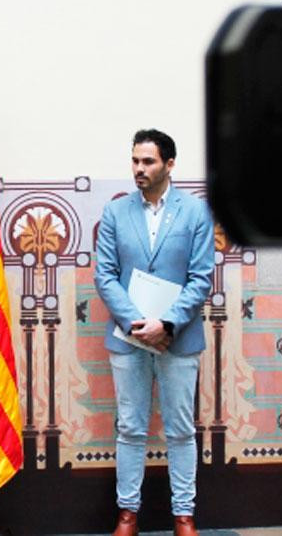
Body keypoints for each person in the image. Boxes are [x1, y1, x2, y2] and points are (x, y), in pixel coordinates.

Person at [94, 129, 215, 536]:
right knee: (130, 427)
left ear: (169, 164)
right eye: (135, 161)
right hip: (128, 339)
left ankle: (184, 515)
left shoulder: (195, 213)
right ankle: (127, 514)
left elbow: (200, 279)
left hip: (178, 338)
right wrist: (135, 322)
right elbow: (105, 276)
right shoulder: (115, 213)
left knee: (181, 429)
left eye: (147, 162)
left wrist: (166, 324)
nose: (139, 169)